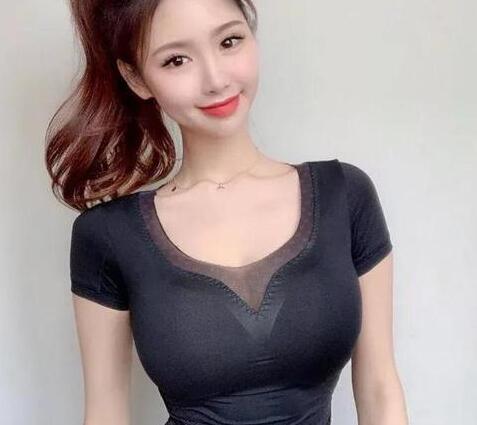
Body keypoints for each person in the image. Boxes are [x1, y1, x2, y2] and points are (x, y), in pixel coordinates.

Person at [45, 0, 409, 424]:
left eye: (229, 41)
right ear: (136, 78)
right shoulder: (108, 236)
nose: (216, 79)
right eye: (177, 60)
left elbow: (380, 390)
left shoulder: (345, 196)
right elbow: (105, 413)